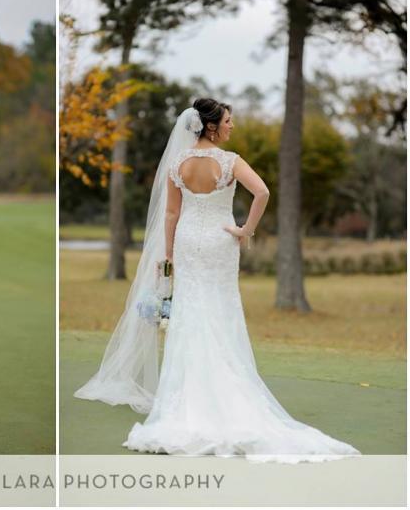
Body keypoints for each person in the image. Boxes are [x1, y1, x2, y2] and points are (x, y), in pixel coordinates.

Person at [75, 98, 360, 463]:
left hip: (188, 241)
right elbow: (262, 192)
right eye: (228, 121)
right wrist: (245, 230)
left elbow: (172, 212)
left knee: (191, 313)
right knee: (221, 311)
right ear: (211, 126)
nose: (232, 126)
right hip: (220, 241)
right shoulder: (229, 161)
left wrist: (170, 254)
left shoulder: (178, 163)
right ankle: (228, 391)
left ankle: (189, 400)